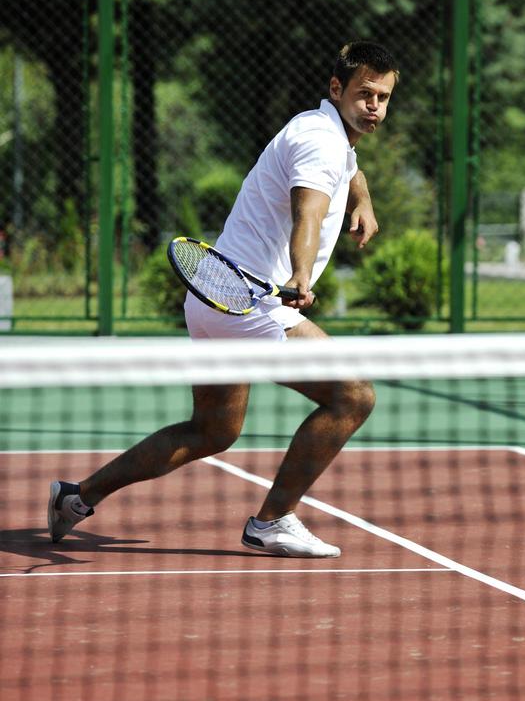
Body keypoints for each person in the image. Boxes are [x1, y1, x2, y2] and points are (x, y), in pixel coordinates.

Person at [48, 41, 399, 558]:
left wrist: (364, 200)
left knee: (212, 430)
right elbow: (309, 211)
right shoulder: (322, 145)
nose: (374, 106)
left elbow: (350, 171)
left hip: (213, 298)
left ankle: (77, 497)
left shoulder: (321, 132)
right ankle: (272, 521)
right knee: (354, 395)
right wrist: (302, 274)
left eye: (384, 97)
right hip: (253, 305)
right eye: (365, 93)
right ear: (336, 89)